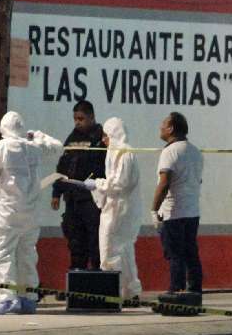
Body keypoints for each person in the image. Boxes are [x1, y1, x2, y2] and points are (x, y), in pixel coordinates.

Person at [0, 111, 63, 314]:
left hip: (8, 213)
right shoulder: (33, 147)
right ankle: (29, 297)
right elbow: (58, 147)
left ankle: (8, 297)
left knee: (3, 254)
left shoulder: (2, 148)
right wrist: (39, 135)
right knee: (27, 254)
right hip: (31, 214)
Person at [83, 117, 143, 301]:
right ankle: (126, 292)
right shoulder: (117, 153)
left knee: (114, 250)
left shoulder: (124, 153)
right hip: (115, 208)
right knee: (119, 250)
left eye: (106, 135)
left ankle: (122, 292)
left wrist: (98, 184)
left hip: (120, 210)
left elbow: (119, 184)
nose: (103, 140)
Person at [150, 112, 204, 294]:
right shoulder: (195, 151)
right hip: (192, 212)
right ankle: (195, 292)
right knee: (191, 254)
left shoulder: (169, 152)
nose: (160, 127)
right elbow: (198, 181)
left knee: (175, 255)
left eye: (163, 124)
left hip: (173, 212)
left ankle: (176, 291)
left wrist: (153, 210)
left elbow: (164, 183)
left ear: (171, 128)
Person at [52, 100, 107, 270]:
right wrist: (56, 193)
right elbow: (63, 165)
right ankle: (77, 284)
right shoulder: (73, 137)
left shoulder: (101, 137)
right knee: (75, 242)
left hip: (92, 200)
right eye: (75, 118)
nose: (77, 122)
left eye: (81, 118)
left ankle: (96, 282)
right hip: (73, 199)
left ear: (91, 117)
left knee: (95, 243)